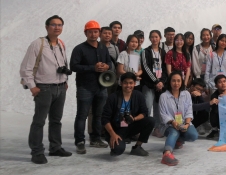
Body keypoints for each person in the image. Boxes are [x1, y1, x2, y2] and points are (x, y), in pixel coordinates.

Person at [20, 15, 72, 164]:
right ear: (46, 27)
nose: (57, 27)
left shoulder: (61, 44)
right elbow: (26, 68)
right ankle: (37, 152)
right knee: (39, 121)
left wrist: (65, 80)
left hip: (60, 87)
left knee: (56, 120)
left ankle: (55, 147)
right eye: (53, 25)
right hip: (44, 88)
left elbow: (63, 64)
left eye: (60, 25)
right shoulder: (38, 44)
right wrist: (32, 87)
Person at [70, 20, 113, 154]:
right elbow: (73, 66)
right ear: (85, 33)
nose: (93, 34)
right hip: (85, 87)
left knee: (98, 115)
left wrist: (107, 66)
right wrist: (92, 68)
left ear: (99, 33)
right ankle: (80, 142)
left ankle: (95, 138)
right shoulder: (79, 49)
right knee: (82, 115)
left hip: (101, 87)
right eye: (90, 32)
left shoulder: (102, 47)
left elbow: (109, 62)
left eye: (95, 31)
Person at [101, 72, 155, 157]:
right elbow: (105, 119)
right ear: (121, 83)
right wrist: (113, 134)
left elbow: (144, 113)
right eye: (125, 83)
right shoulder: (113, 97)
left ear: (134, 83)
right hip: (115, 129)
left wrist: (134, 119)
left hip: (130, 126)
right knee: (117, 150)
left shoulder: (138, 95)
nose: (128, 85)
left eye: (131, 83)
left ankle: (137, 147)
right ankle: (116, 144)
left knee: (151, 121)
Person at [158, 72, 198, 165]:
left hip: (183, 123)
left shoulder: (186, 94)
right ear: (170, 82)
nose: (176, 83)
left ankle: (177, 140)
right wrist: (172, 122)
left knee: (193, 135)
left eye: (178, 81)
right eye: (174, 81)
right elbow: (163, 115)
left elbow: (189, 111)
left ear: (182, 82)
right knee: (174, 132)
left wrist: (187, 124)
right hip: (168, 124)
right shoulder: (163, 96)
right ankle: (167, 154)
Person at [140, 30, 167, 133]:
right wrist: (156, 81)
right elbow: (146, 68)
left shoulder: (162, 52)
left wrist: (162, 82)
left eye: (156, 37)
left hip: (160, 85)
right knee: (148, 106)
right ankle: (144, 127)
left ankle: (157, 128)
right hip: (149, 84)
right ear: (150, 38)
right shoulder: (145, 51)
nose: (154, 39)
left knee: (158, 107)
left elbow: (164, 68)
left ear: (160, 38)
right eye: (152, 37)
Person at [206, 74, 226, 139]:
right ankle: (215, 129)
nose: (223, 84)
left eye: (224, 81)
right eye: (220, 82)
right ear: (216, 85)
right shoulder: (214, 95)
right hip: (222, 116)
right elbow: (217, 109)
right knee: (214, 111)